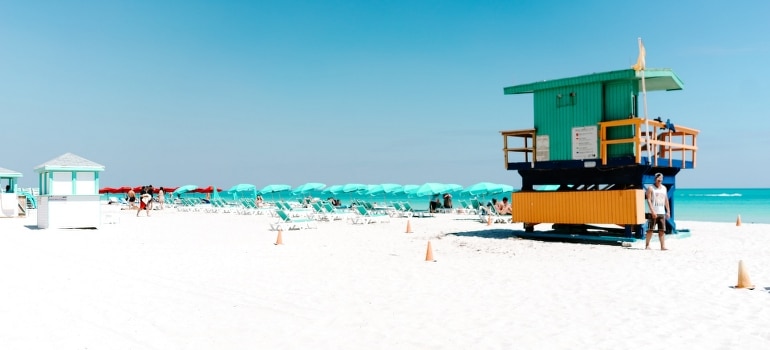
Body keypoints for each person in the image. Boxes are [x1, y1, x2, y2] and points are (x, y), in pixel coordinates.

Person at [645, 173, 670, 250]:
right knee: (650, 230)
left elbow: (666, 200)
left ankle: (662, 246)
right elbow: (648, 200)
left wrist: (668, 211)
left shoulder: (664, 188)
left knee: (662, 231)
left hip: (661, 212)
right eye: (658, 178)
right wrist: (652, 211)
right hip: (652, 213)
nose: (659, 180)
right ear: (655, 179)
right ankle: (647, 245)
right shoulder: (650, 188)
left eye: (661, 178)